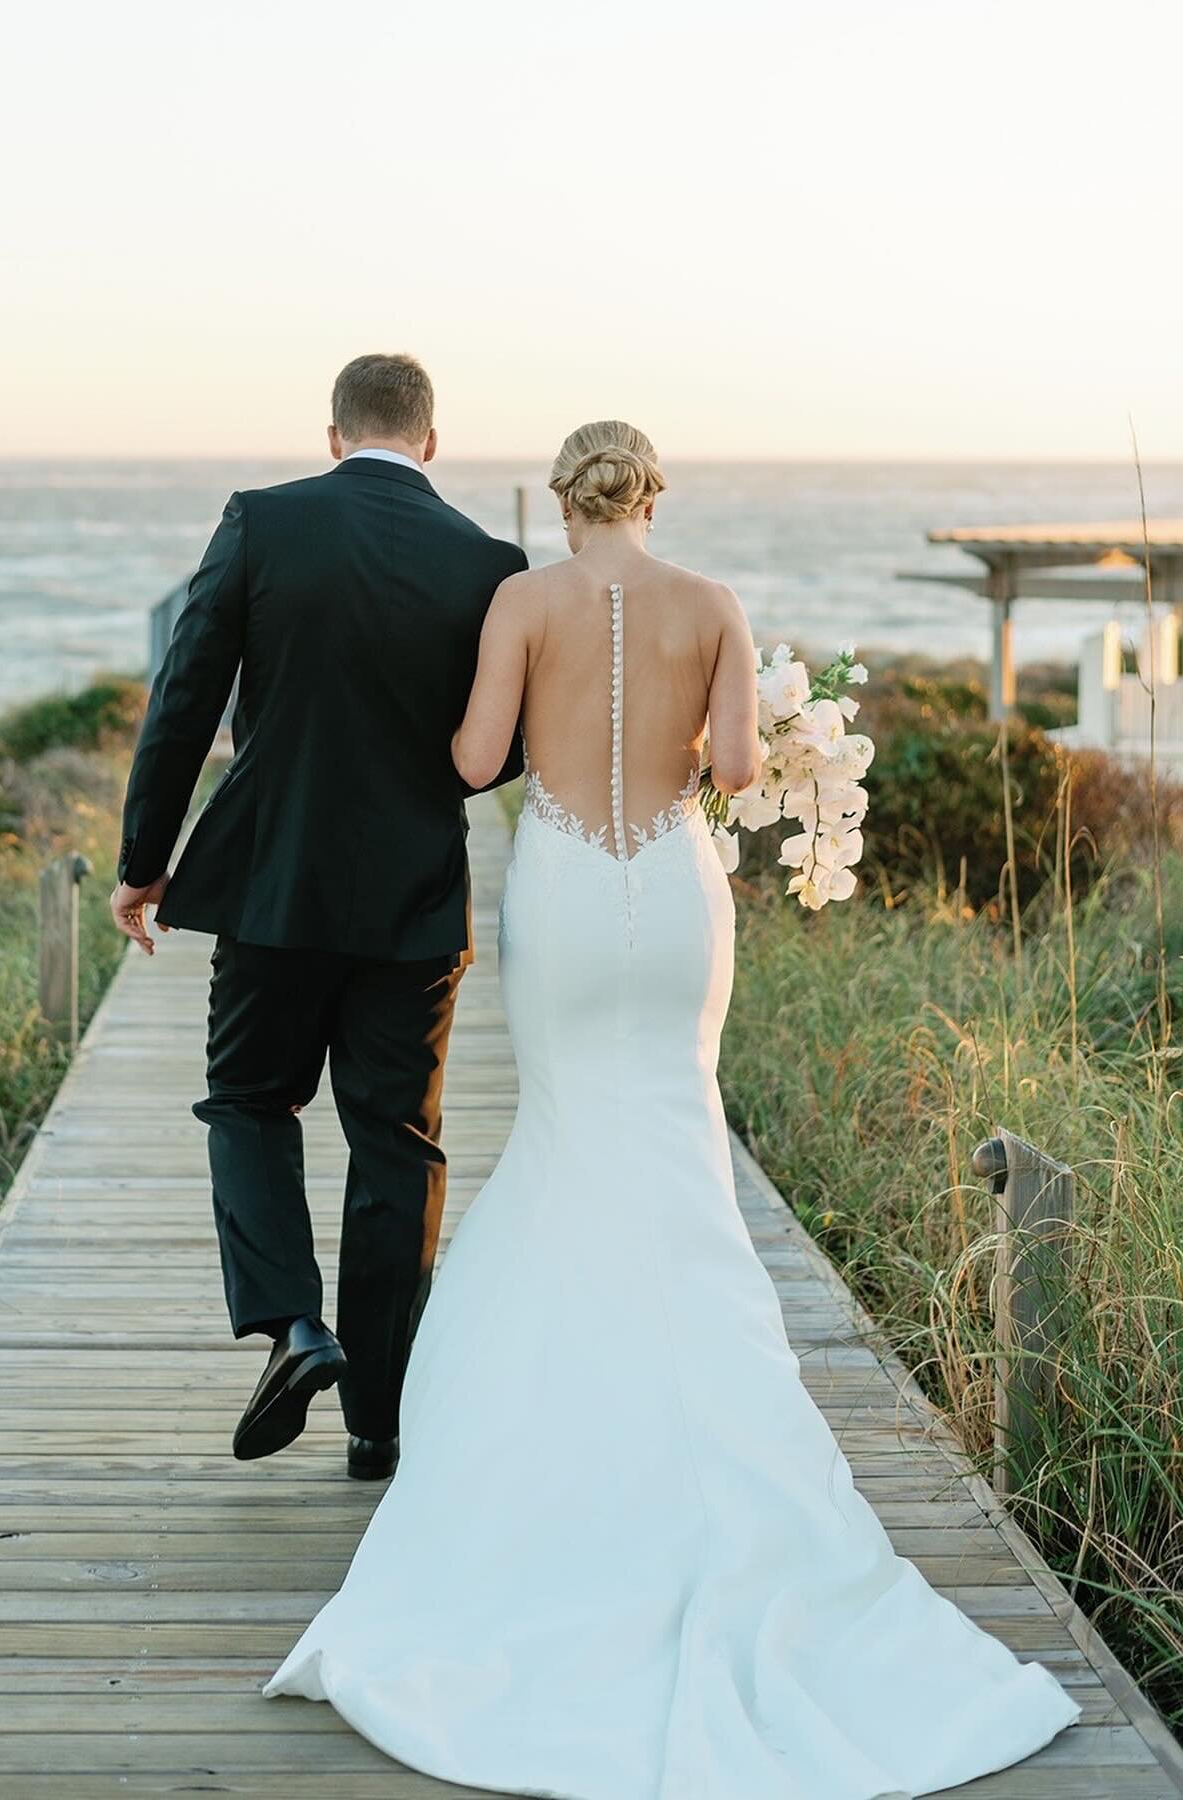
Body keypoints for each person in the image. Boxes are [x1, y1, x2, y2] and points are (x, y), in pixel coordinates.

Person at [263, 421, 1081, 1796]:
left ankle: (544, 1456)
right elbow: (744, 775)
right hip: (678, 903)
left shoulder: (522, 600)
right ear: (653, 496)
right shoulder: (714, 603)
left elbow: (474, 765)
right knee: (678, 1147)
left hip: (571, 898)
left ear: (570, 500)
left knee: (568, 1134)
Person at [111, 353, 525, 1481]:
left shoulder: (263, 521)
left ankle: (296, 1327)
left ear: (336, 434)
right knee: (396, 1144)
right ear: (432, 442)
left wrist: (143, 861)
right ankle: (381, 1425)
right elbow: (504, 750)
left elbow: (184, 695)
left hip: (273, 884)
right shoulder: (492, 563)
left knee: (248, 1099)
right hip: (416, 900)